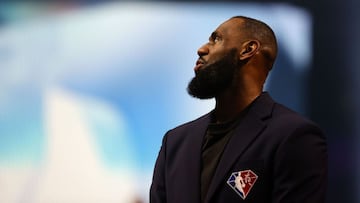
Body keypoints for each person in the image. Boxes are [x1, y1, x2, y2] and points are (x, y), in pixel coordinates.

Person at [150, 16, 327, 203]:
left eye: (216, 39)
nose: (201, 49)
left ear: (248, 50)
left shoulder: (294, 135)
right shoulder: (176, 142)